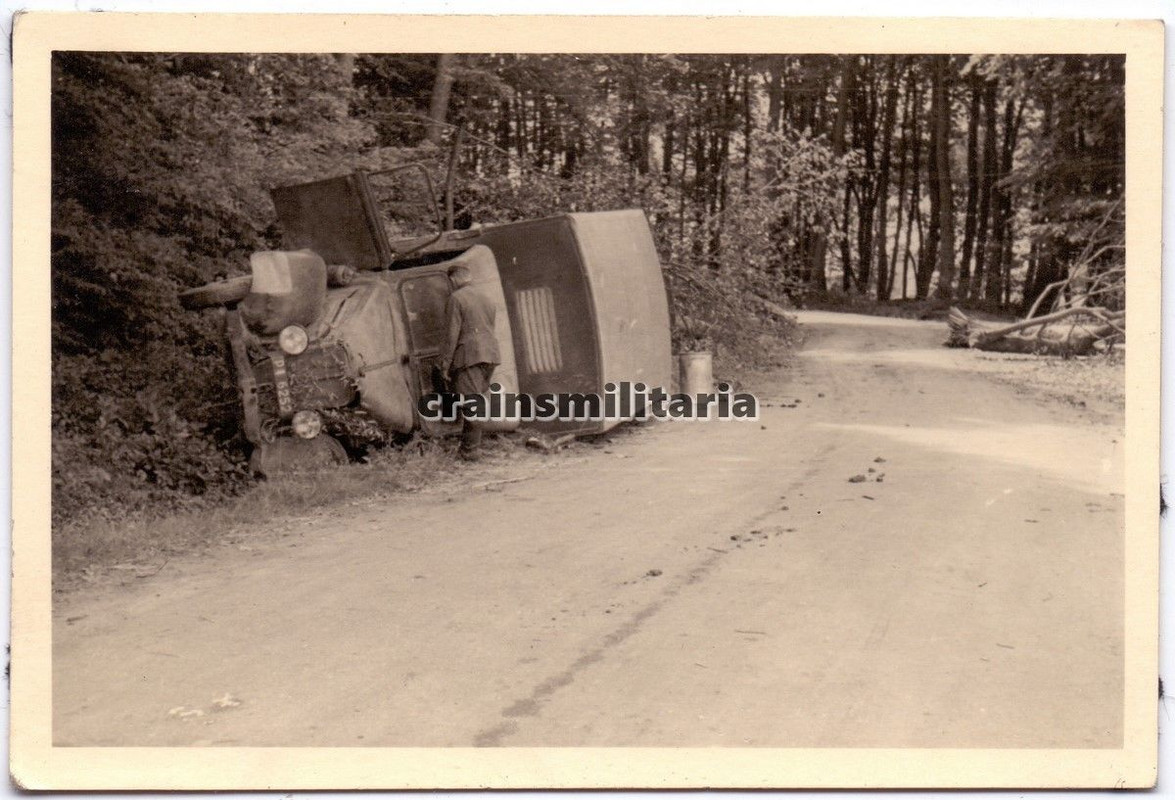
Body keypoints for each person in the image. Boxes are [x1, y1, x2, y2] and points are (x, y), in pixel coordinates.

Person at [440, 262, 501, 461]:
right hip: (490, 355)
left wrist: (445, 364)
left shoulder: (456, 298)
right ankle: (469, 449)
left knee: (471, 403)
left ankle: (470, 452)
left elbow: (451, 335)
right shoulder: (486, 297)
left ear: (454, 279)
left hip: (469, 357)